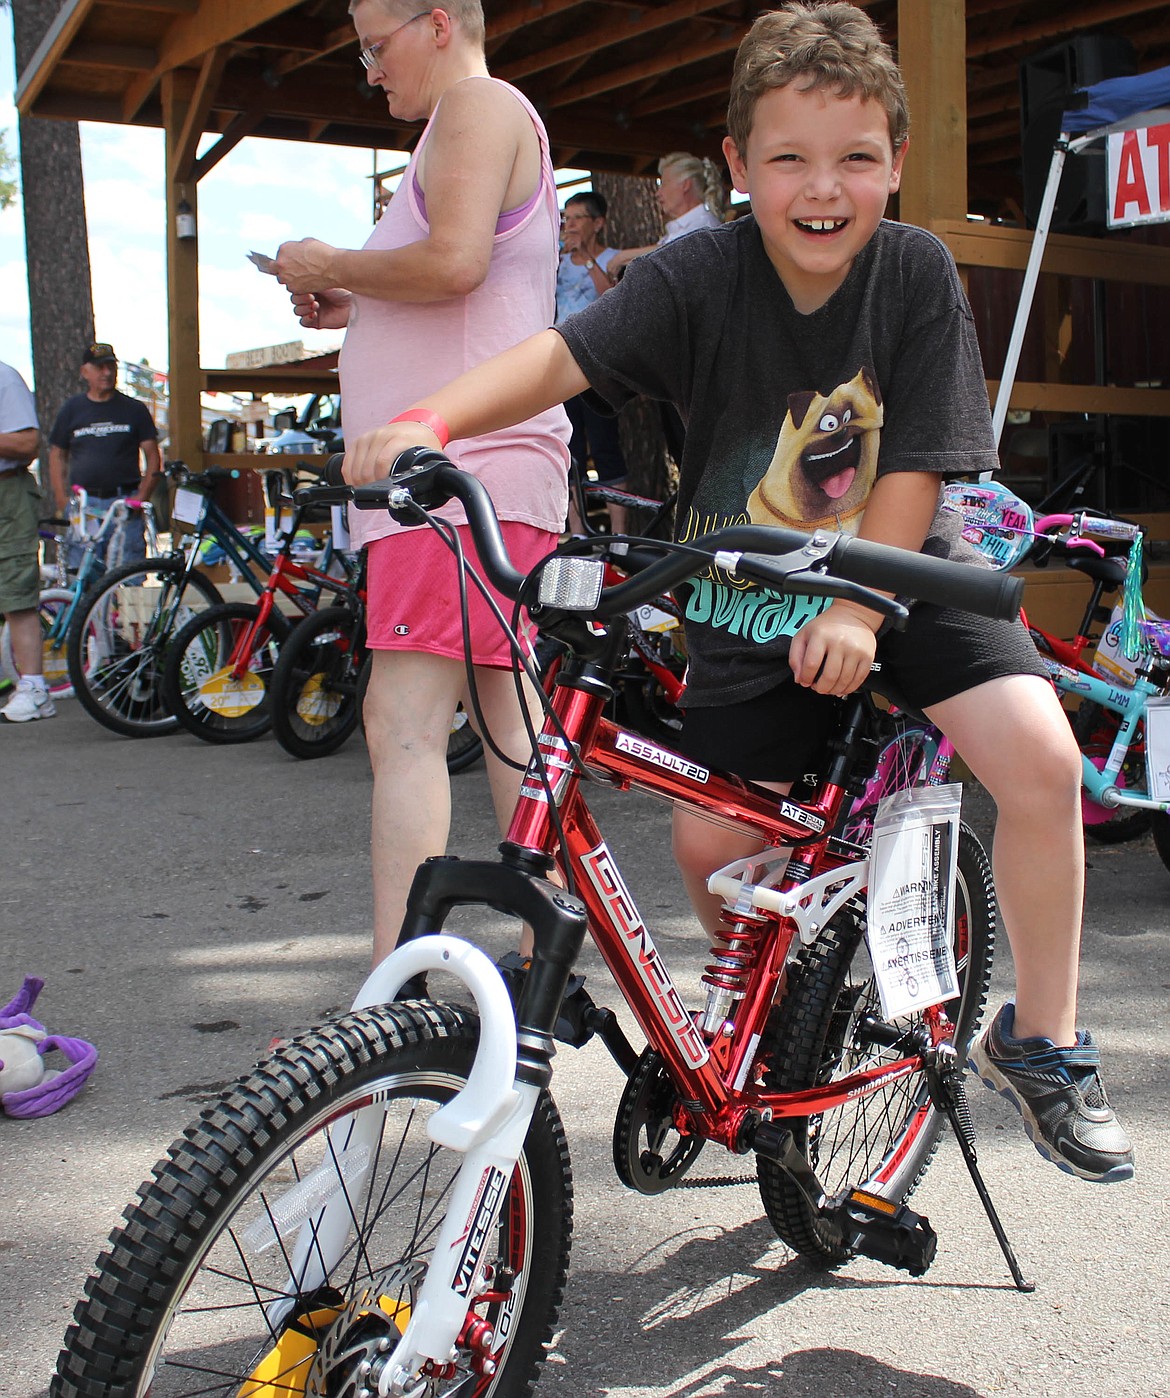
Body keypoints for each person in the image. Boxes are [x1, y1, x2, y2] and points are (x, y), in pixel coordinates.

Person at [344, 1, 1135, 1185]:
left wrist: (861, 608)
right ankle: (775, 1008)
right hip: (748, 601)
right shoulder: (699, 271)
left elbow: (913, 461)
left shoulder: (912, 272)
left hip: (905, 580)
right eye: (791, 159)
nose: (826, 188)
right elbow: (566, 355)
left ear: (896, 163)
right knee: (712, 849)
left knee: (1039, 761)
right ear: (738, 167)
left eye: (857, 158)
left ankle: (1046, 1040)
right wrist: (430, 416)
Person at [273, 0, 570, 966]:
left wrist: (331, 260)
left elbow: (455, 263)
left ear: (437, 22)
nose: (368, 69)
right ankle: (547, 958)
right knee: (508, 724)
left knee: (402, 721)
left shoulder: (477, 107)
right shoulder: (472, 120)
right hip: (485, 470)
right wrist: (356, 300)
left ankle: (393, 992)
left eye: (374, 44)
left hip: (455, 474)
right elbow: (461, 280)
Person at [48, 342, 161, 565]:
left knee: (129, 570)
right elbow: (56, 455)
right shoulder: (72, 409)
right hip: (85, 504)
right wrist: (62, 499)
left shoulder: (134, 409)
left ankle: (127, 599)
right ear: (85, 372)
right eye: (100, 367)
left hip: (124, 502)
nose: (107, 373)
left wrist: (143, 495)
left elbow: (153, 455)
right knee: (83, 571)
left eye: (111, 367)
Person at [556, 190, 627, 533]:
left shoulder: (610, 257)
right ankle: (577, 529)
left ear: (597, 223)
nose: (569, 226)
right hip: (559, 366)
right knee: (569, 450)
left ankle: (619, 537)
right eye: (565, 218)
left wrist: (584, 256)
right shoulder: (555, 259)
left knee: (604, 446)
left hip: (598, 366)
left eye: (577, 218)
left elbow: (608, 295)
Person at [0, 359, 52, 724]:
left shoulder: (3, 378)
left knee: (16, 591)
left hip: (7, 494)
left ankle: (34, 689)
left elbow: (29, 442)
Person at [604, 151, 728, 277]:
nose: (658, 193)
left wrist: (623, 256)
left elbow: (672, 254)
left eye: (663, 184)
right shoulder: (685, 227)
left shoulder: (704, 225)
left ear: (685, 185)